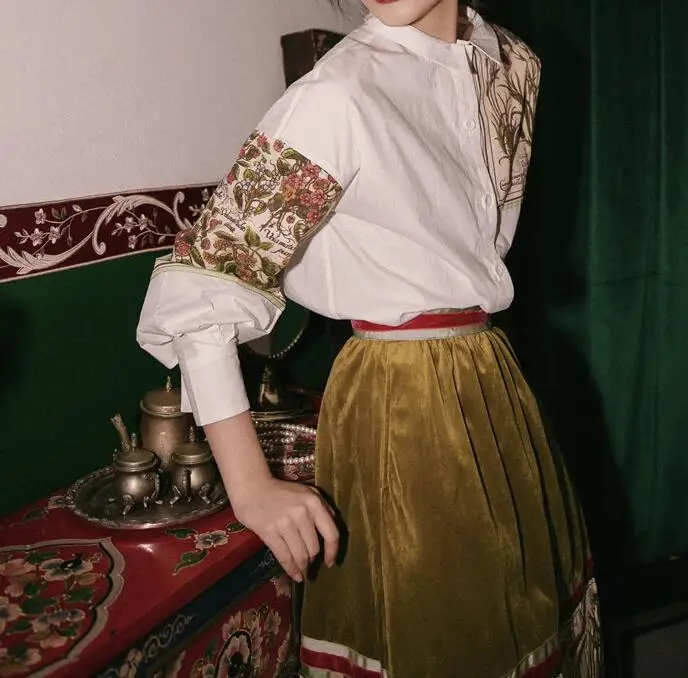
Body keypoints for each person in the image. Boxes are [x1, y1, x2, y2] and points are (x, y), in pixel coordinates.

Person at [137, 0, 602, 675]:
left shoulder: (513, 65)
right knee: (442, 630)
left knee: (527, 613)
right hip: (399, 396)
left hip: (495, 380)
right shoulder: (337, 94)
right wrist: (250, 484)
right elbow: (205, 287)